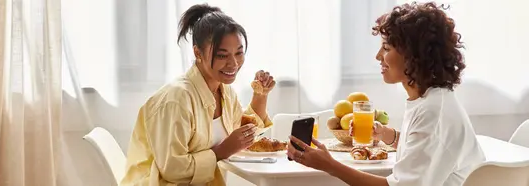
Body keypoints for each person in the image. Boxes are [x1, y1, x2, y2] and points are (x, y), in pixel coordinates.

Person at [287, 2, 486, 186]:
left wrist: (330, 166)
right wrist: (386, 135)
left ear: (414, 55)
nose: (378, 56)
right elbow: (423, 150)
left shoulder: (433, 111)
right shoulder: (429, 100)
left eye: (386, 48)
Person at [120, 3, 276, 186]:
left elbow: (242, 136)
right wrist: (221, 151)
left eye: (239, 53)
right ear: (197, 52)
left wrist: (260, 95)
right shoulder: (177, 99)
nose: (233, 63)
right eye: (222, 55)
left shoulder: (224, 91)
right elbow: (173, 169)